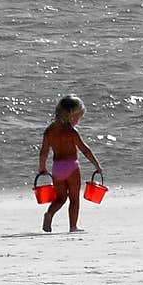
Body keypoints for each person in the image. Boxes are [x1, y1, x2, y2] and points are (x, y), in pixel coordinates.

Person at [38, 95, 101, 234]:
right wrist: (97, 165)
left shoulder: (49, 131)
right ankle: (73, 227)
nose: (77, 121)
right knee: (74, 199)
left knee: (60, 198)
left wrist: (42, 168)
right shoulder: (71, 132)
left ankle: (49, 214)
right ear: (71, 116)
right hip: (71, 167)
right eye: (77, 117)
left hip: (57, 168)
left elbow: (43, 152)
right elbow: (85, 150)